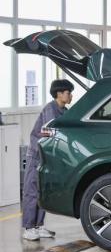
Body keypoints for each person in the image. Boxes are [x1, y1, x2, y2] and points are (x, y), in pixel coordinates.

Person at [22, 79, 74, 241]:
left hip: (48, 156)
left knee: (42, 191)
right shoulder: (50, 110)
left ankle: (39, 226)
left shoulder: (64, 111)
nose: (71, 95)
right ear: (59, 93)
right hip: (37, 155)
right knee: (32, 191)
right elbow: (51, 133)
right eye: (68, 92)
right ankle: (28, 228)